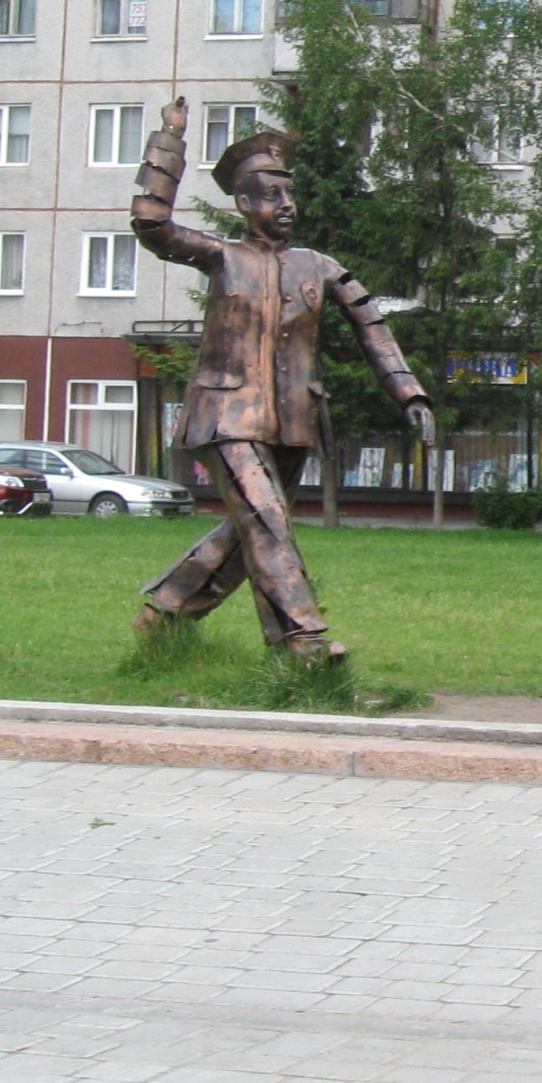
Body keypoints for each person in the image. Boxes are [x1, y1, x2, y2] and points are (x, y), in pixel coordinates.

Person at [129, 98, 435, 662]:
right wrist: (169, 141)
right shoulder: (221, 257)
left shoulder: (319, 266)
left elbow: (372, 325)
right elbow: (151, 223)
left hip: (294, 420)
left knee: (251, 529)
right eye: (272, 194)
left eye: (290, 194)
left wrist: (408, 392)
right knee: (266, 520)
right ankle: (301, 639)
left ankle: (166, 611)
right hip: (226, 416)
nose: (287, 204)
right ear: (244, 204)